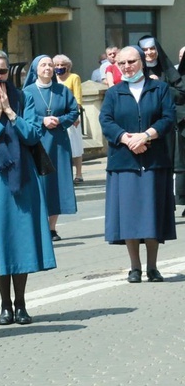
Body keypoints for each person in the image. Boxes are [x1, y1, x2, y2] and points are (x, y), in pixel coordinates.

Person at [0, 50, 56, 325]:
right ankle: (4, 305)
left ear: (10, 71)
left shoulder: (24, 97)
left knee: (19, 240)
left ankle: (21, 303)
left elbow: (32, 135)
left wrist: (10, 111)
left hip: (23, 177)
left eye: (3, 71)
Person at [99, 45, 176, 283]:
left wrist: (147, 135)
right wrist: (127, 138)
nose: (126, 67)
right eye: (122, 63)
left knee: (151, 214)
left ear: (141, 62)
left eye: (131, 62)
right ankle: (135, 267)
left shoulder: (160, 89)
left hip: (153, 159)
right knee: (130, 215)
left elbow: (168, 117)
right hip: (124, 161)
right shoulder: (114, 93)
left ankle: (152, 267)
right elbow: (106, 120)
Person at [23, 55, 79, 242]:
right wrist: (42, 120)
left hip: (58, 143)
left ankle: (52, 228)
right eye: (43, 65)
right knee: (39, 184)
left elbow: (74, 111)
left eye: (50, 65)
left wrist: (60, 121)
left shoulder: (62, 90)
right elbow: (21, 116)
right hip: (37, 142)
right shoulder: (27, 92)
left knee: (56, 183)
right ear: (35, 69)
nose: (48, 68)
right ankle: (37, 226)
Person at [137, 35, 185, 213]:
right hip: (142, 126)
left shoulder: (167, 70)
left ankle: (168, 203)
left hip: (166, 128)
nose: (149, 53)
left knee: (168, 165)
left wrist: (161, 85)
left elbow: (180, 94)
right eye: (145, 50)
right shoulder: (136, 71)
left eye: (152, 49)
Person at [53, 54, 85, 184]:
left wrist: (75, 115)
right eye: (57, 65)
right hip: (57, 117)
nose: (60, 67)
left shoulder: (74, 77)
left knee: (76, 146)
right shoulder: (53, 78)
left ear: (68, 66)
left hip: (71, 116)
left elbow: (77, 97)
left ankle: (78, 173)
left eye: (62, 65)